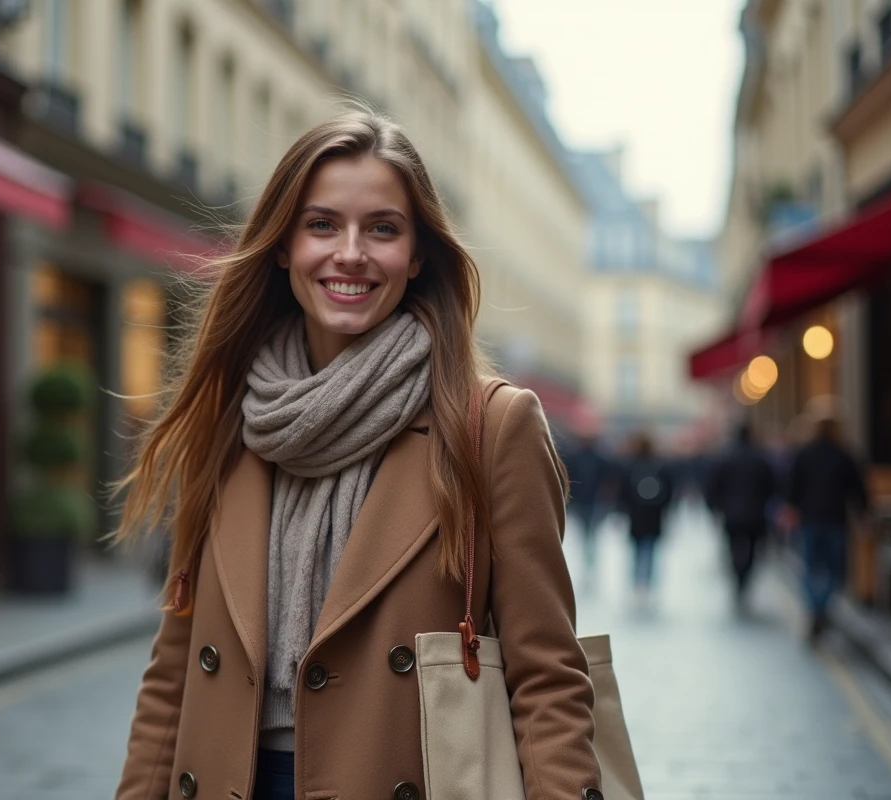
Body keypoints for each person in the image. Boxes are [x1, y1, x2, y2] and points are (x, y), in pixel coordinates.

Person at [112, 111, 601, 800]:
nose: (350, 253)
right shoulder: (231, 419)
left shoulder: (492, 427)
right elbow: (175, 668)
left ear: (418, 253)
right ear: (283, 247)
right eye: (321, 225)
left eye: (382, 228)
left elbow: (547, 676)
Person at [784, 412, 869, 643]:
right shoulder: (844, 454)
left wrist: (791, 511)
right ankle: (820, 608)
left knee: (810, 569)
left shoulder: (804, 453)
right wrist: (862, 517)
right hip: (835, 520)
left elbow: (792, 486)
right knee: (836, 572)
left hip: (810, 520)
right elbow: (858, 490)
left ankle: (815, 608)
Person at [705, 422, 777, 609]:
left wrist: (715, 507)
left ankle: (738, 577)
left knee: (733, 548)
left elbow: (713, 486)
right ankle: (744, 579)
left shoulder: (726, 458)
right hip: (755, 514)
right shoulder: (760, 459)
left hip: (731, 513)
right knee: (752, 550)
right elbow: (772, 486)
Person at [617, 432, 674, 600]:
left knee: (636, 550)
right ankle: (648, 583)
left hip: (636, 515)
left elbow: (623, 493)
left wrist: (623, 510)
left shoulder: (630, 466)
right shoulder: (661, 467)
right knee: (651, 549)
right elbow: (669, 492)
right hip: (654, 515)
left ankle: (636, 583)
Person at [565, 431, 613, 574]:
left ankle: (588, 565)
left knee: (588, 534)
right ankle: (588, 564)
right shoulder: (598, 458)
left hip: (588, 502)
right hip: (588, 502)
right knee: (589, 534)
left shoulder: (576, 458)